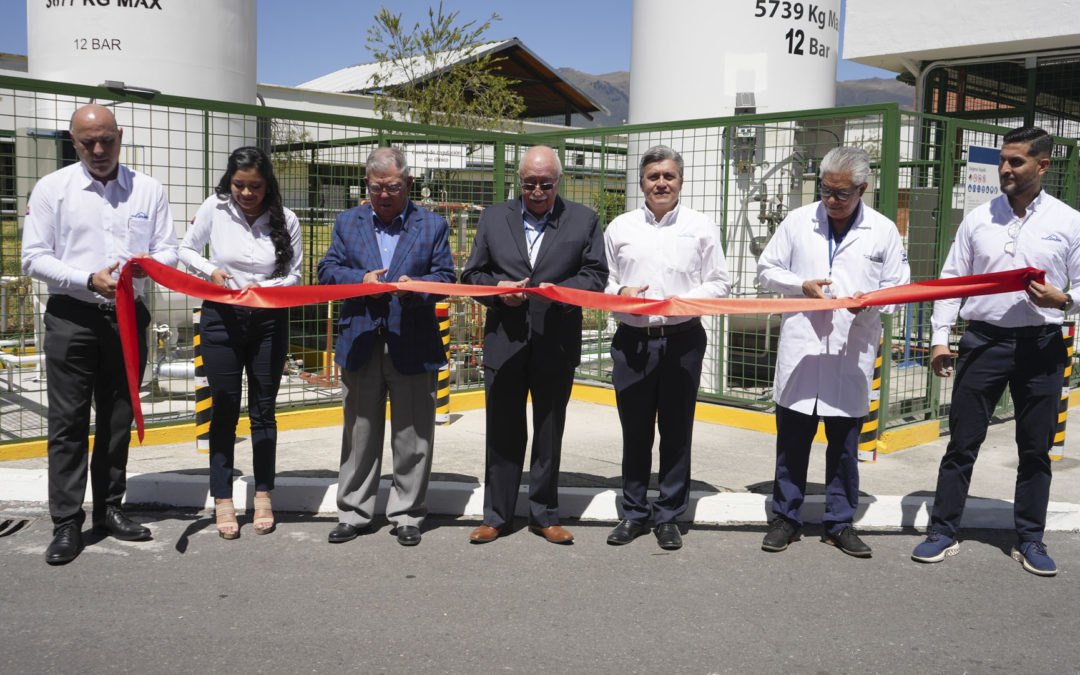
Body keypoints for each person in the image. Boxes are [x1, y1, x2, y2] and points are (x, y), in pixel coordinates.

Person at [912, 127, 1080, 576]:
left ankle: (1030, 539)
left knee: (1035, 449)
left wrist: (1063, 301)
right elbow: (952, 282)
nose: (1005, 169)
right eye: (1003, 161)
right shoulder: (979, 218)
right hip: (983, 342)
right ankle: (943, 531)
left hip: (1042, 345)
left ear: (1042, 166)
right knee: (962, 444)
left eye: (1016, 162)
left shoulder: (1069, 221)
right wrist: (940, 338)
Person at [21, 104, 178, 565]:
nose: (98, 149)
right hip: (73, 315)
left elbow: (166, 248)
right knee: (68, 423)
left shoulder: (147, 190)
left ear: (120, 135)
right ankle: (66, 522)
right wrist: (88, 279)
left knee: (117, 418)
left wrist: (144, 268)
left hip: (129, 315)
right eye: (88, 141)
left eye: (106, 139)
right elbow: (33, 257)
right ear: (73, 141)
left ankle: (110, 509)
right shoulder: (54, 189)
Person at [756, 146, 910, 557]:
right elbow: (767, 270)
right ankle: (785, 518)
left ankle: (838, 523)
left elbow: (899, 289)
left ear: (862, 188)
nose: (831, 201)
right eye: (825, 190)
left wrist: (871, 302)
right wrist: (800, 284)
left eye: (842, 194)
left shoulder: (882, 231)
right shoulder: (796, 222)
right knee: (792, 443)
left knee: (844, 449)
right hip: (802, 353)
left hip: (850, 354)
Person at [461, 145, 608, 545]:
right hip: (504, 343)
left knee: (548, 433)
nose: (537, 191)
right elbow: (472, 274)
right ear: (518, 182)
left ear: (559, 181)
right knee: (503, 432)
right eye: (529, 184)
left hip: (555, 343)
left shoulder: (584, 220)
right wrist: (496, 291)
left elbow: (595, 277)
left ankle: (545, 515)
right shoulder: (494, 218)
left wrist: (554, 292)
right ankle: (497, 515)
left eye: (545, 184)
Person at [317, 147, 455, 547]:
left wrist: (418, 290)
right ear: (366, 186)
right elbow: (328, 271)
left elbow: (445, 274)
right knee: (359, 435)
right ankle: (354, 512)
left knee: (413, 436)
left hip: (413, 339)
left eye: (393, 187)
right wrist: (361, 279)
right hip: (362, 338)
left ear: (408, 184)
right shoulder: (347, 222)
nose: (384, 195)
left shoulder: (432, 225)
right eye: (377, 188)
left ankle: (408, 513)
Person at [603, 145, 730, 550]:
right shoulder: (619, 228)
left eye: (669, 176)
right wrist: (621, 291)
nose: (661, 183)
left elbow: (721, 283)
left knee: (677, 431)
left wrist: (686, 300)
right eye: (654, 176)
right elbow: (601, 282)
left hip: (682, 341)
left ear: (680, 181)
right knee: (635, 432)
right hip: (633, 343)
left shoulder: (702, 226)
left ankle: (669, 515)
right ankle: (634, 513)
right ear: (641, 182)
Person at [179, 146, 302, 539]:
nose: (247, 194)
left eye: (256, 187)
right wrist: (211, 270)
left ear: (268, 186)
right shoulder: (214, 209)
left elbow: (295, 276)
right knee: (225, 408)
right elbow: (185, 250)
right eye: (239, 185)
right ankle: (223, 499)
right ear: (228, 181)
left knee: (264, 410)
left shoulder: (287, 219)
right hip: (221, 320)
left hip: (268, 321)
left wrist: (262, 289)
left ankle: (263, 493)